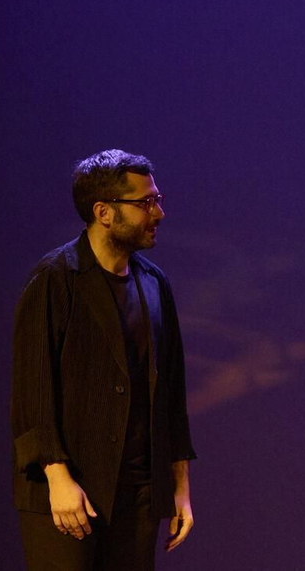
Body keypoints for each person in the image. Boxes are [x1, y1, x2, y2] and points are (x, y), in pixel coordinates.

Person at [11, 149, 197, 570]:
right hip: (69, 490)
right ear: (104, 212)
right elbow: (33, 390)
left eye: (157, 198)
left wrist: (178, 485)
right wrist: (58, 478)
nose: (159, 212)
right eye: (145, 202)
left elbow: (170, 389)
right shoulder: (56, 279)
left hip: (138, 493)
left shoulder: (153, 283)